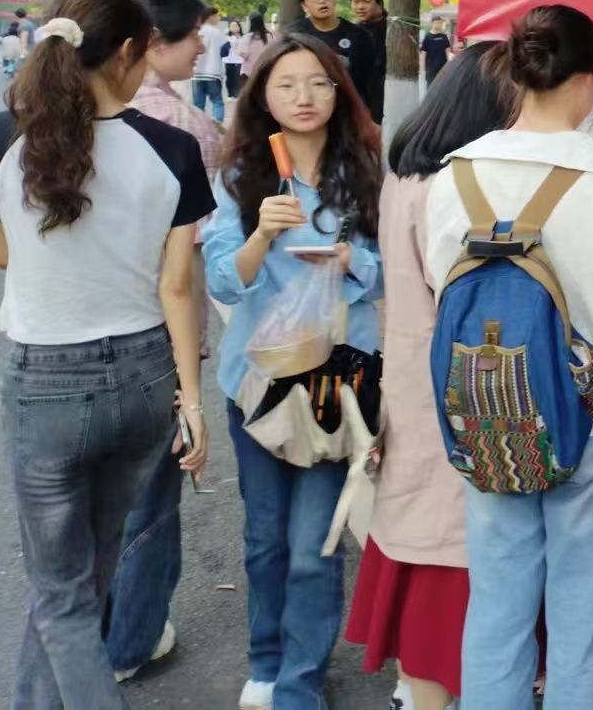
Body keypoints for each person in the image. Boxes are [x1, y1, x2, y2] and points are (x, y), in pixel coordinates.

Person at [0, 0, 211, 709]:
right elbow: (177, 287)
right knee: (83, 584)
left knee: (61, 596)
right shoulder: (172, 148)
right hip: (143, 378)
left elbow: (0, 254)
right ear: (127, 52)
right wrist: (193, 402)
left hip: (46, 386)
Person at [421, 5, 593, 710]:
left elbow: (440, 287)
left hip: (487, 412)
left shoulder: (454, 174)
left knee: (496, 600)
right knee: (584, 610)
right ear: (589, 80)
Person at [204, 34, 384, 710]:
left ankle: (300, 682)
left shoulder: (366, 171)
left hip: (339, 383)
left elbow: (399, 267)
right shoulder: (242, 176)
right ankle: (267, 659)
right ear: (264, 97)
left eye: (317, 82)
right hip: (259, 382)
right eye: (286, 84)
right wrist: (260, 235)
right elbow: (224, 279)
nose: (303, 97)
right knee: (264, 538)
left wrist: (353, 260)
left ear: (338, 92)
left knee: (314, 545)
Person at [346, 42, 518, 710]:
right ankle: (428, 692)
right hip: (458, 390)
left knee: (421, 545)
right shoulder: (459, 187)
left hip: (414, 381)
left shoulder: (408, 174)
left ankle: (414, 690)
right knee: (451, 564)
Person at [104, 0, 227, 683]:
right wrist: (194, 391)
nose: (201, 48)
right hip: (156, 340)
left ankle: (84, 641)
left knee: (87, 508)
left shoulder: (51, 117)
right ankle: (129, 642)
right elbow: (183, 275)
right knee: (149, 504)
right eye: (193, 37)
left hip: (68, 343)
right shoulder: (185, 130)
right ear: (149, 43)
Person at [285, 0, 383, 125]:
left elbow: (370, 82)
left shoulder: (358, 36)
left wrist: (374, 120)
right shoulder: (293, 35)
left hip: (346, 115)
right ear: (304, 6)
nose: (322, 1)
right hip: (306, 111)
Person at [348, 0, 389, 122]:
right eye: (355, 1)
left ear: (380, 3)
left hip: (383, 101)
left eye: (366, 1)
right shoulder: (353, 31)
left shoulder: (393, 30)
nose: (360, 7)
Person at [191, 9, 228, 123]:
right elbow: (225, 51)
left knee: (198, 104)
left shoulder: (196, 31)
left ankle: (198, 125)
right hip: (213, 72)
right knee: (217, 101)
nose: (219, 19)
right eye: (217, 16)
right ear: (210, 17)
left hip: (196, 72)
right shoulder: (217, 33)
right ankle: (216, 124)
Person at [238, 12, 270, 92]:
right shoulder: (270, 36)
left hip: (248, 72)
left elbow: (243, 54)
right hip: (266, 71)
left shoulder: (248, 37)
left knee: (249, 95)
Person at [419, 15, 452, 88]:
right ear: (432, 23)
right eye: (437, 23)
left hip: (443, 68)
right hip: (431, 69)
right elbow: (423, 55)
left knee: (442, 88)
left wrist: (450, 65)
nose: (439, 24)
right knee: (431, 88)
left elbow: (448, 52)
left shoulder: (444, 37)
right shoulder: (427, 37)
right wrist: (422, 70)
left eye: (440, 23)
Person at [224, 18, 247, 99]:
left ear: (239, 27)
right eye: (232, 26)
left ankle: (237, 94)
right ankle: (230, 94)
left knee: (237, 77)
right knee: (229, 77)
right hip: (229, 60)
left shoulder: (243, 37)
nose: (234, 27)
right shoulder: (227, 36)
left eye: (236, 26)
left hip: (239, 60)